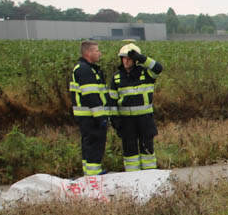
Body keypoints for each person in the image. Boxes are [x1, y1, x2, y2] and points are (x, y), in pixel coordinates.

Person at [109, 43, 164, 171]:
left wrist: (141, 58)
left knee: (147, 149)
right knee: (130, 152)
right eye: (123, 58)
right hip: (126, 121)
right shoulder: (116, 78)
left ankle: (150, 174)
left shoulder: (146, 74)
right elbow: (112, 101)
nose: (126, 61)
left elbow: (158, 68)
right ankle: (132, 175)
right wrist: (115, 120)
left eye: (129, 58)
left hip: (145, 120)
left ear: (135, 60)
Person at [69, 40, 112, 176]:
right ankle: (94, 175)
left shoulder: (88, 69)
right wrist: (101, 118)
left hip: (88, 116)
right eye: (97, 51)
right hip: (91, 116)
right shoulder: (85, 70)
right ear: (88, 53)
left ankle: (89, 174)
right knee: (94, 145)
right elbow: (91, 96)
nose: (100, 53)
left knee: (89, 145)